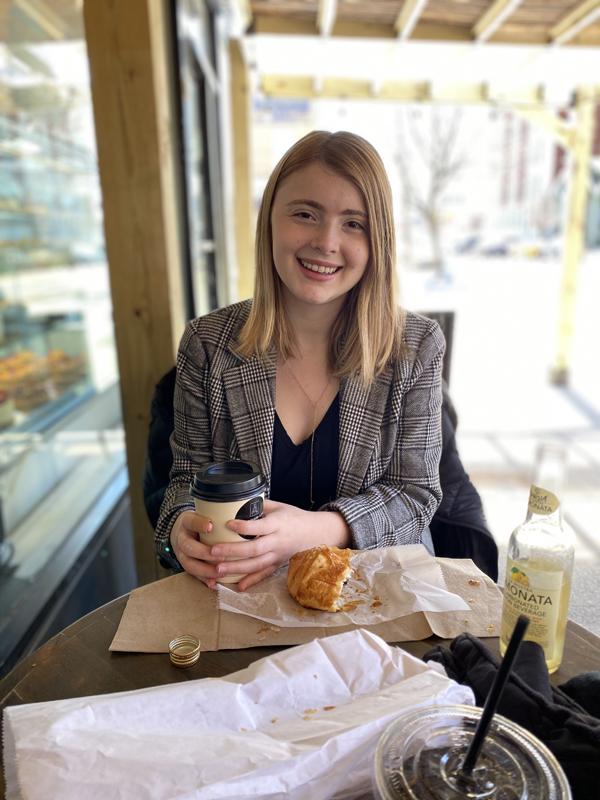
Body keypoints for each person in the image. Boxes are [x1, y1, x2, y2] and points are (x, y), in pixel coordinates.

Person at [155, 130, 446, 590]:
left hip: (374, 599)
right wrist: (178, 530)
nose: (327, 242)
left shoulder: (415, 345)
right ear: (270, 219)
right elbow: (184, 483)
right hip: (244, 600)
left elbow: (416, 495)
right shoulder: (207, 343)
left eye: (354, 223)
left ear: (379, 242)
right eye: (306, 214)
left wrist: (317, 531)